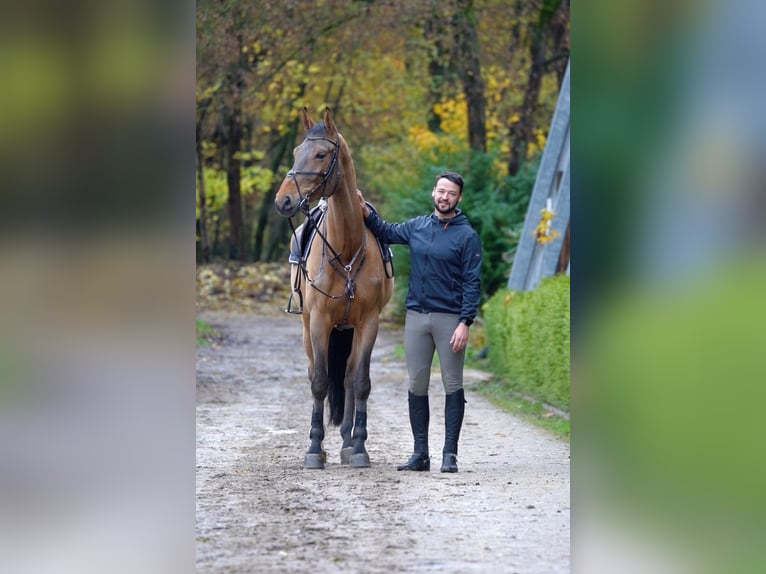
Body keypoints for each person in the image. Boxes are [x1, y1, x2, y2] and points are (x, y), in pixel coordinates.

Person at [358, 171, 482, 473]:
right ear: (433, 193)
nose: (445, 197)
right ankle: (420, 454)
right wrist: (365, 211)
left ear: (459, 198)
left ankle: (449, 454)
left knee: (452, 384)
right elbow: (385, 231)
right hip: (416, 317)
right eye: (441, 191)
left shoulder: (467, 236)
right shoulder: (417, 227)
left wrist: (465, 322)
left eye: (451, 193)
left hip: (450, 320)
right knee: (416, 384)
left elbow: (472, 282)